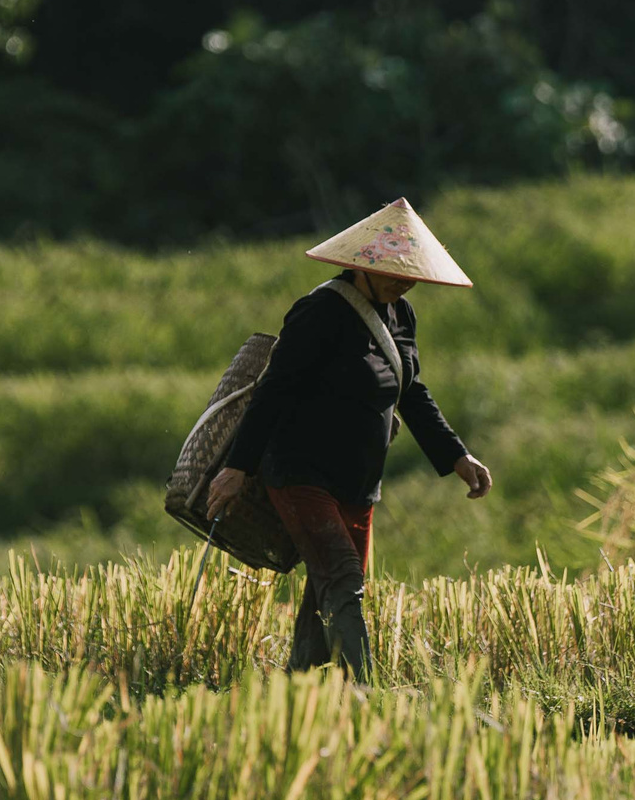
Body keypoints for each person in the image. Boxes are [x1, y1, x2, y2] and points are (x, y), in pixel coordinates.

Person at [205, 198, 492, 684]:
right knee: (342, 578)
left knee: (328, 591)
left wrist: (456, 455)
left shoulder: (401, 316)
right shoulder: (319, 313)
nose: (403, 281)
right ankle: (366, 689)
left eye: (411, 274)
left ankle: (300, 689)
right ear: (362, 264)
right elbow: (274, 393)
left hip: (358, 484)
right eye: (393, 272)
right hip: (301, 474)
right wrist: (238, 467)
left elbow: (411, 391)